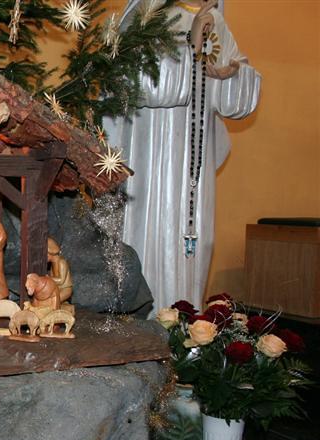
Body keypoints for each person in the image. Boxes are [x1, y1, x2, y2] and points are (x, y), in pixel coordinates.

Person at [104, 0, 260, 312]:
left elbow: (235, 100)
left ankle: (188, 316)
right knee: (154, 229)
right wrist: (192, 47)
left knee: (199, 238)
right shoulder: (147, 12)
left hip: (195, 154)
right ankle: (149, 316)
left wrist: (230, 75)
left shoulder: (214, 20)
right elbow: (140, 82)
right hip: (153, 148)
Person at [47, 237, 73, 304]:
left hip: (65, 289)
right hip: (57, 288)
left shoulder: (61, 263)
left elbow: (61, 281)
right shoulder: (52, 264)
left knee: (52, 302)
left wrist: (48, 278)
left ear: (50, 253)